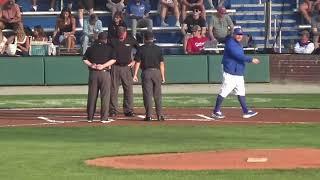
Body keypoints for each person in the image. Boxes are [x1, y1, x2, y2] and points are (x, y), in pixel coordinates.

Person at [211, 27, 260, 119]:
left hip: (238, 72)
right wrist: (251, 59)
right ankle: (216, 111)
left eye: (241, 34)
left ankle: (246, 111)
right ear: (233, 34)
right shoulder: (230, 43)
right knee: (225, 91)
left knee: (241, 92)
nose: (239, 36)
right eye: (237, 34)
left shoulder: (238, 44)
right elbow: (238, 56)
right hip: (230, 71)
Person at [82, 32, 117, 123]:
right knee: (105, 96)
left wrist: (91, 65)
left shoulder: (91, 48)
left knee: (92, 95)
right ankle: (104, 118)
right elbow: (113, 59)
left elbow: (84, 59)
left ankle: (90, 117)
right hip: (104, 73)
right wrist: (103, 65)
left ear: (98, 38)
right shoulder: (109, 48)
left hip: (93, 73)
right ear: (105, 39)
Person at [133, 31, 165, 121]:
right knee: (157, 95)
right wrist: (163, 76)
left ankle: (149, 115)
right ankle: (160, 115)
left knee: (147, 94)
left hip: (146, 72)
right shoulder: (158, 49)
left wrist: (135, 74)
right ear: (153, 38)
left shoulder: (141, 49)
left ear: (145, 39)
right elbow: (162, 63)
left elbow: (137, 62)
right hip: (157, 72)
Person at [109, 26, 139, 117]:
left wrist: (135, 60)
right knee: (113, 89)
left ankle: (128, 110)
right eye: (119, 34)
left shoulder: (131, 39)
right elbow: (106, 50)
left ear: (125, 32)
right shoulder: (112, 40)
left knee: (128, 89)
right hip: (115, 66)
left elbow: (140, 50)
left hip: (126, 67)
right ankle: (113, 110)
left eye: (122, 34)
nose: (121, 36)